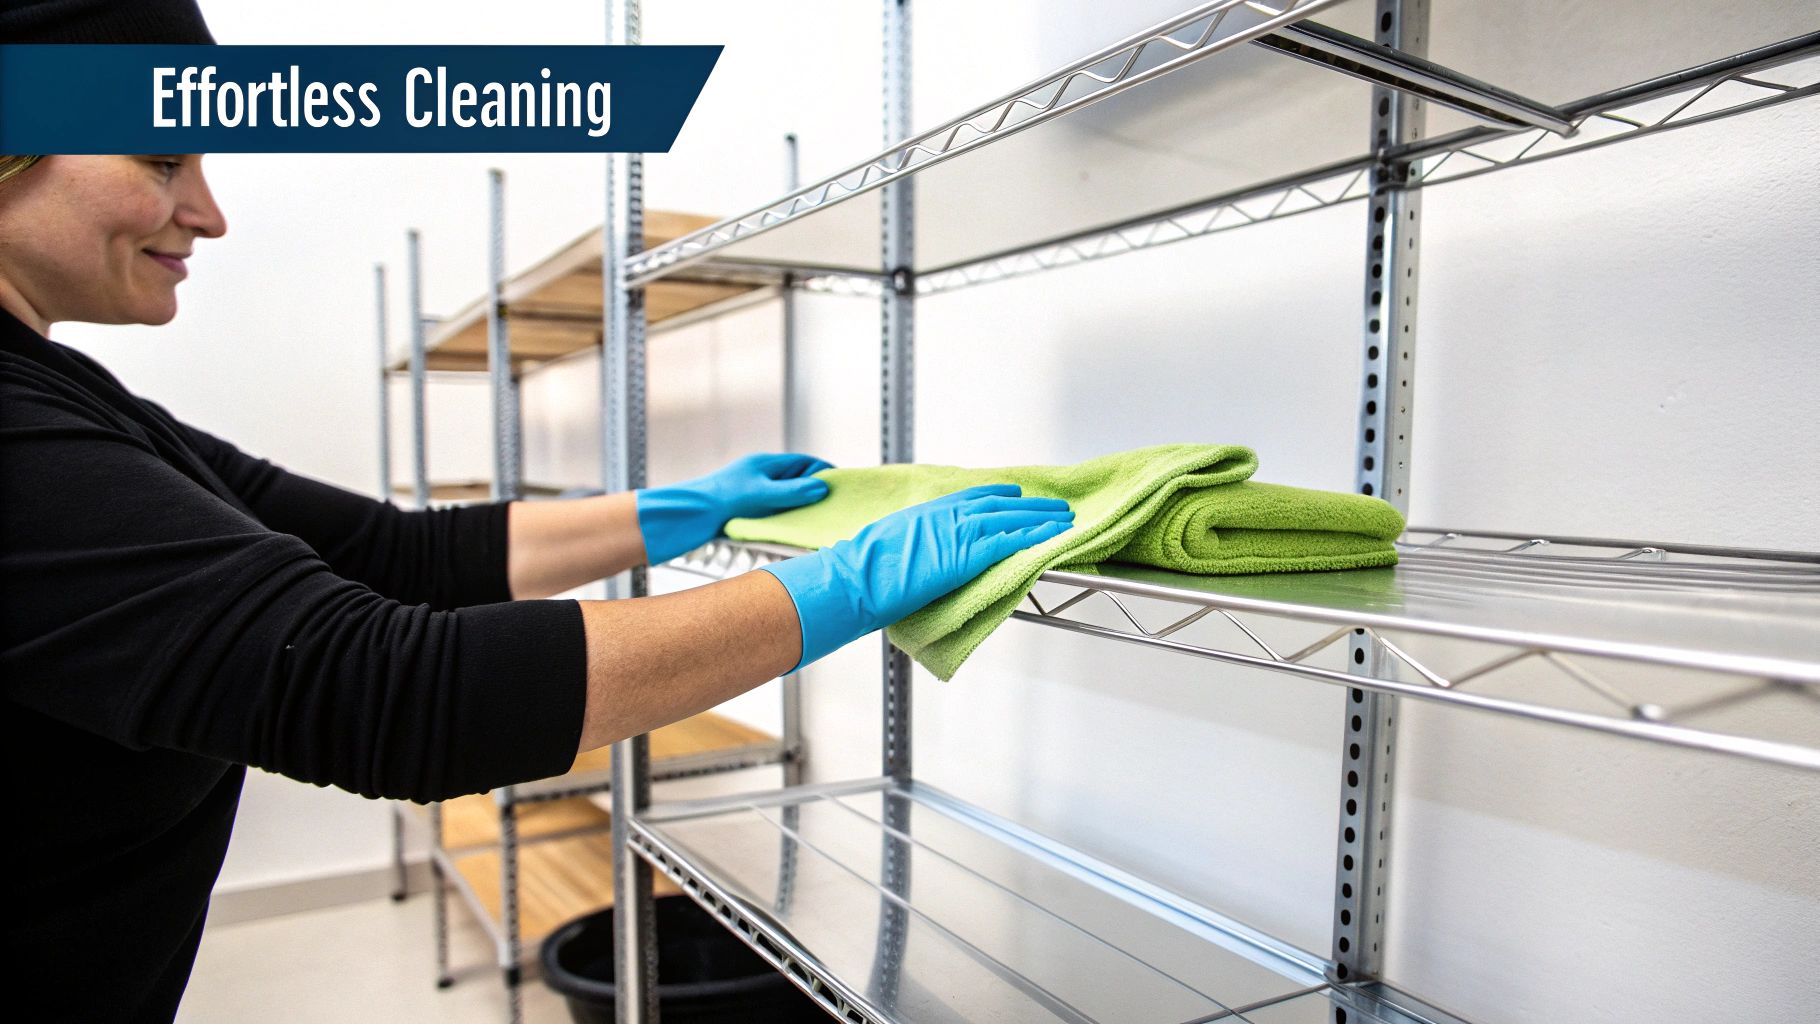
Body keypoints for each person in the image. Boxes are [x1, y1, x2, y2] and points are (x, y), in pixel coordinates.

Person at [0, 17, 1074, 1023]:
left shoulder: (74, 395)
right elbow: (384, 686)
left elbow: (398, 555)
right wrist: (832, 589)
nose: (208, 210)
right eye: (160, 160)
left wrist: (690, 510)